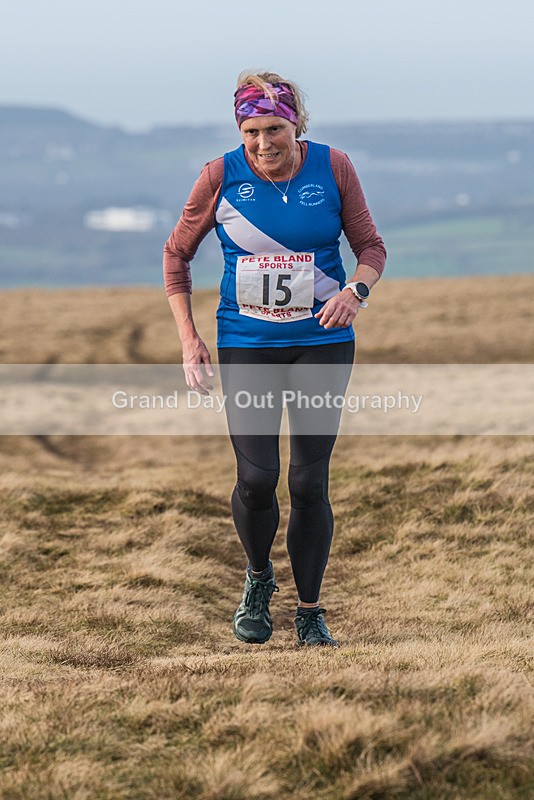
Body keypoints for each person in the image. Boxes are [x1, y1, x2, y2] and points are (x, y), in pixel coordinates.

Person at [163, 71, 386, 647]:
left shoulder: (333, 167)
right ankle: (259, 578)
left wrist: (354, 292)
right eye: (252, 131)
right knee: (257, 477)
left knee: (310, 481)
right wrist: (190, 340)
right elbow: (176, 257)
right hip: (247, 342)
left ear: (297, 125)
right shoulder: (220, 175)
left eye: (275, 129)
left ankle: (309, 612)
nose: (263, 143)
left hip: (322, 340)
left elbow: (370, 247)